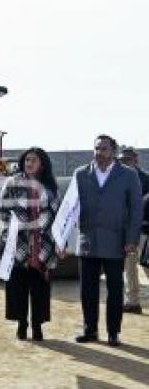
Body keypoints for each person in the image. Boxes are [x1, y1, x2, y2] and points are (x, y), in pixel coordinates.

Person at [65, 135, 143, 347]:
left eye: (104, 148)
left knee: (115, 290)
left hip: (117, 242)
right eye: (97, 148)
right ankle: (90, 330)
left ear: (114, 151)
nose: (100, 152)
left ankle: (113, 332)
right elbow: (69, 208)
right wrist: (62, 237)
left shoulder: (128, 175)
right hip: (87, 241)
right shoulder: (80, 174)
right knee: (87, 290)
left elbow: (136, 210)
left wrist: (132, 239)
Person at [0, 147, 59, 341]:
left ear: (42, 164)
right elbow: (1, 208)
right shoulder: (12, 182)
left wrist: (57, 242)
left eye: (33, 160)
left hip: (43, 244)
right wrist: (17, 222)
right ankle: (21, 325)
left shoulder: (49, 186)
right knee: (18, 287)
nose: (29, 163)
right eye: (26, 160)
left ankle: (38, 326)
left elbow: (55, 213)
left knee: (40, 288)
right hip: (17, 242)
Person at [118, 146, 149, 314]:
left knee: (146, 266)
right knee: (129, 266)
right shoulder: (118, 179)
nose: (125, 162)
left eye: (128, 159)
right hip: (127, 231)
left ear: (136, 160)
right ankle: (133, 301)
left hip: (144, 230)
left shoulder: (146, 179)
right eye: (122, 160)